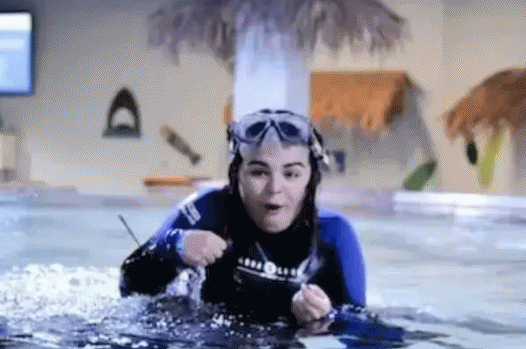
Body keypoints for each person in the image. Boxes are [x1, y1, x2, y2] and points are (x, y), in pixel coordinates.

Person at [120, 109, 366, 328]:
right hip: (212, 346)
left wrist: (326, 316)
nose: (274, 188)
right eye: (259, 172)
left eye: (291, 174)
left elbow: (361, 330)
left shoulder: (334, 234)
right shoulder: (208, 210)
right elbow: (130, 284)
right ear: (237, 174)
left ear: (311, 179)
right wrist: (175, 245)